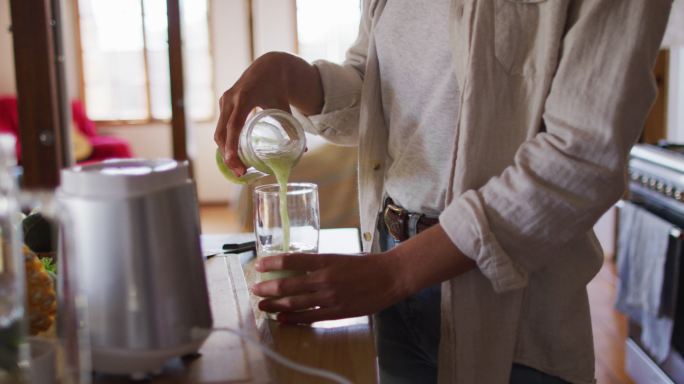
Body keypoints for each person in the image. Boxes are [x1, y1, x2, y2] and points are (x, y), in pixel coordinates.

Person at [214, 1, 673, 383]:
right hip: (390, 263)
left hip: (508, 301)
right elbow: (375, 92)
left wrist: (395, 273)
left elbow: (582, 158)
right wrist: (289, 74)